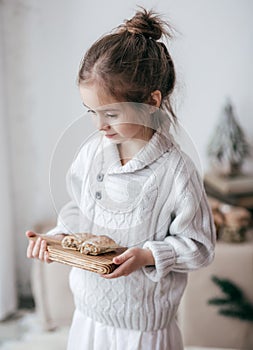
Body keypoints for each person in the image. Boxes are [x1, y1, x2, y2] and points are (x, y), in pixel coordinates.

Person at [26, 8, 216, 350]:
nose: (99, 125)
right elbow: (77, 212)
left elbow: (200, 248)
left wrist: (146, 256)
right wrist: (56, 240)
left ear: (151, 103)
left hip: (144, 329)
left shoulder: (176, 171)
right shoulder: (92, 154)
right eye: (91, 113)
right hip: (88, 316)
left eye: (111, 113)